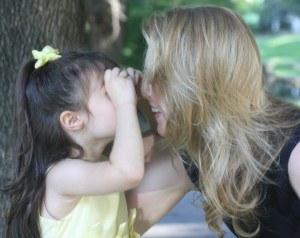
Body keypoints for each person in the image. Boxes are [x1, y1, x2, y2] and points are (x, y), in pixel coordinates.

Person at [126, 5, 300, 238]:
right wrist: (122, 108)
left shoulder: (295, 153)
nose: (144, 91)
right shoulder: (198, 151)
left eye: (157, 77)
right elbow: (108, 224)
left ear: (196, 81)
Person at [3, 45, 144, 238]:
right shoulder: (61, 174)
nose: (120, 93)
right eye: (109, 92)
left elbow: (161, 138)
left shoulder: (105, 158)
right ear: (73, 120)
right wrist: (126, 103)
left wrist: (140, 95)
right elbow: (130, 172)